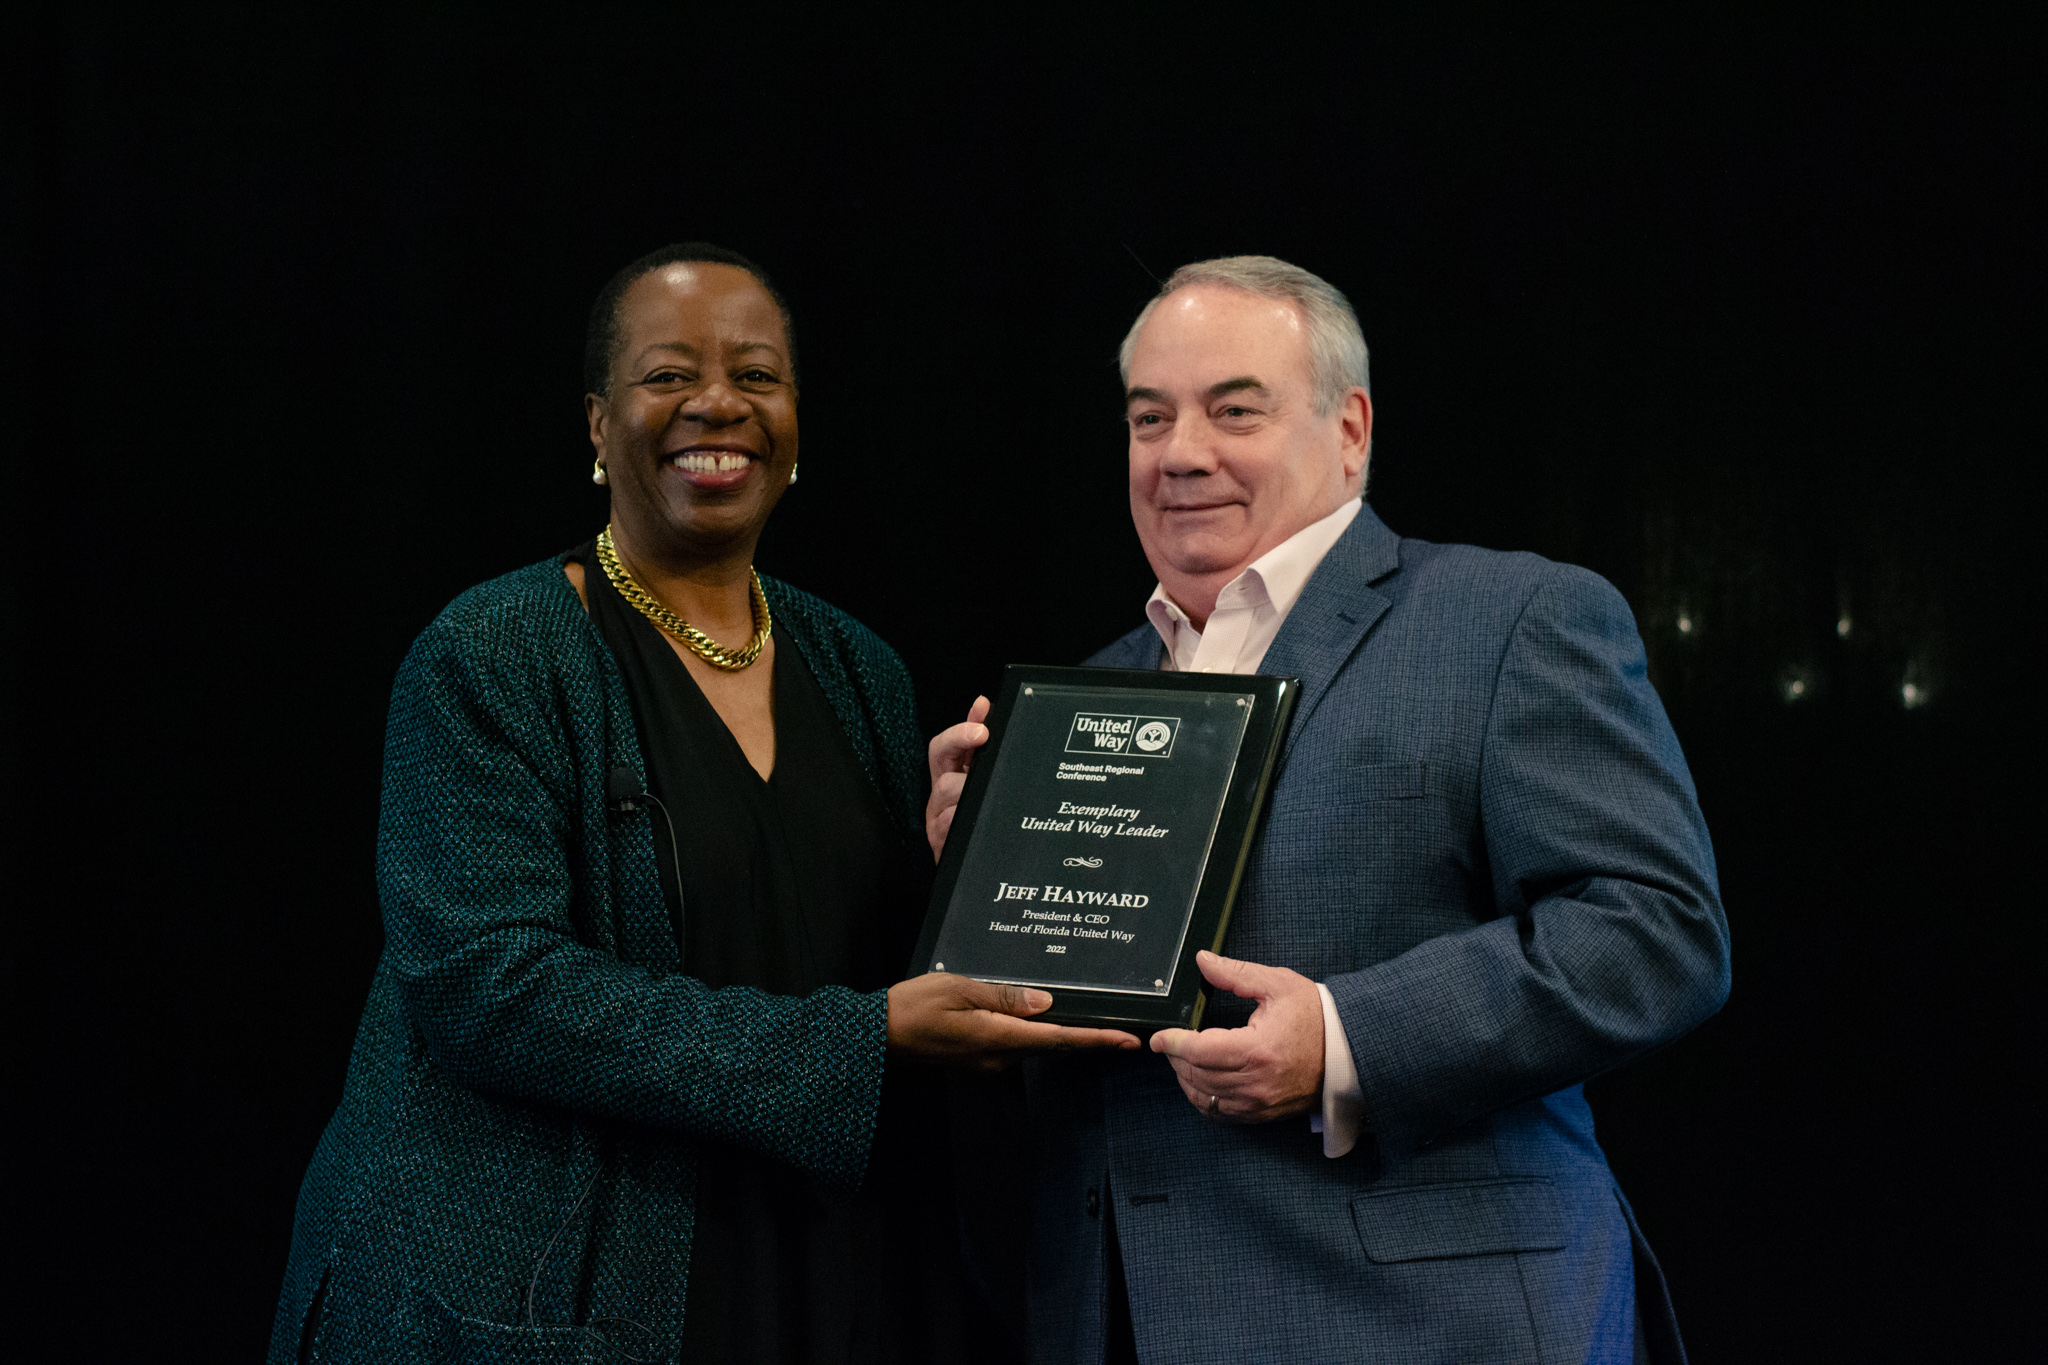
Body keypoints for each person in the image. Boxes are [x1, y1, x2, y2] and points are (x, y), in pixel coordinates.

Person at [270, 243, 1136, 1365]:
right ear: (596, 424)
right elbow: (488, 990)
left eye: (756, 375)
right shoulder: (493, 651)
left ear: (795, 422)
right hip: (560, 1286)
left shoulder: (856, 667)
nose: (716, 402)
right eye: (668, 375)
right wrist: (858, 1039)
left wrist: (957, 880)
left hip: (817, 1267)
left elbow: (848, 960)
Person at [927, 256, 1730, 1363]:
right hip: (1111, 1321)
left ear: (1348, 429)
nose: (1180, 453)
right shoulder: (1083, 695)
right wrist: (981, 876)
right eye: (1147, 417)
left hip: (1432, 1326)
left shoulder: (1510, 619)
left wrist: (1346, 1041)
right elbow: (1047, 1045)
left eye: (1233, 410)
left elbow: (1656, 932)